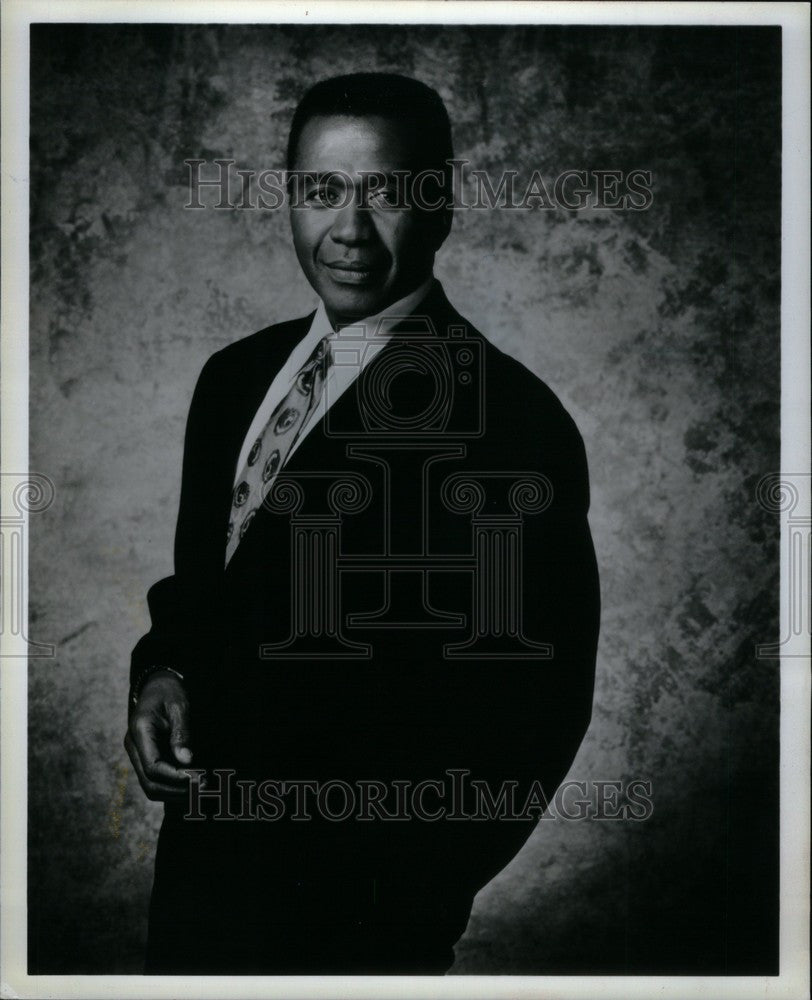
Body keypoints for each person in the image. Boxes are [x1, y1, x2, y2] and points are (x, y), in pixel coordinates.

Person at [125, 72, 600, 975]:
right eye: (320, 190)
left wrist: (408, 903)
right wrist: (166, 668)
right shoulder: (235, 378)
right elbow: (207, 594)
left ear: (443, 206)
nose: (347, 229)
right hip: (196, 890)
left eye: (384, 192)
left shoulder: (511, 424)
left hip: (358, 928)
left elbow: (536, 710)